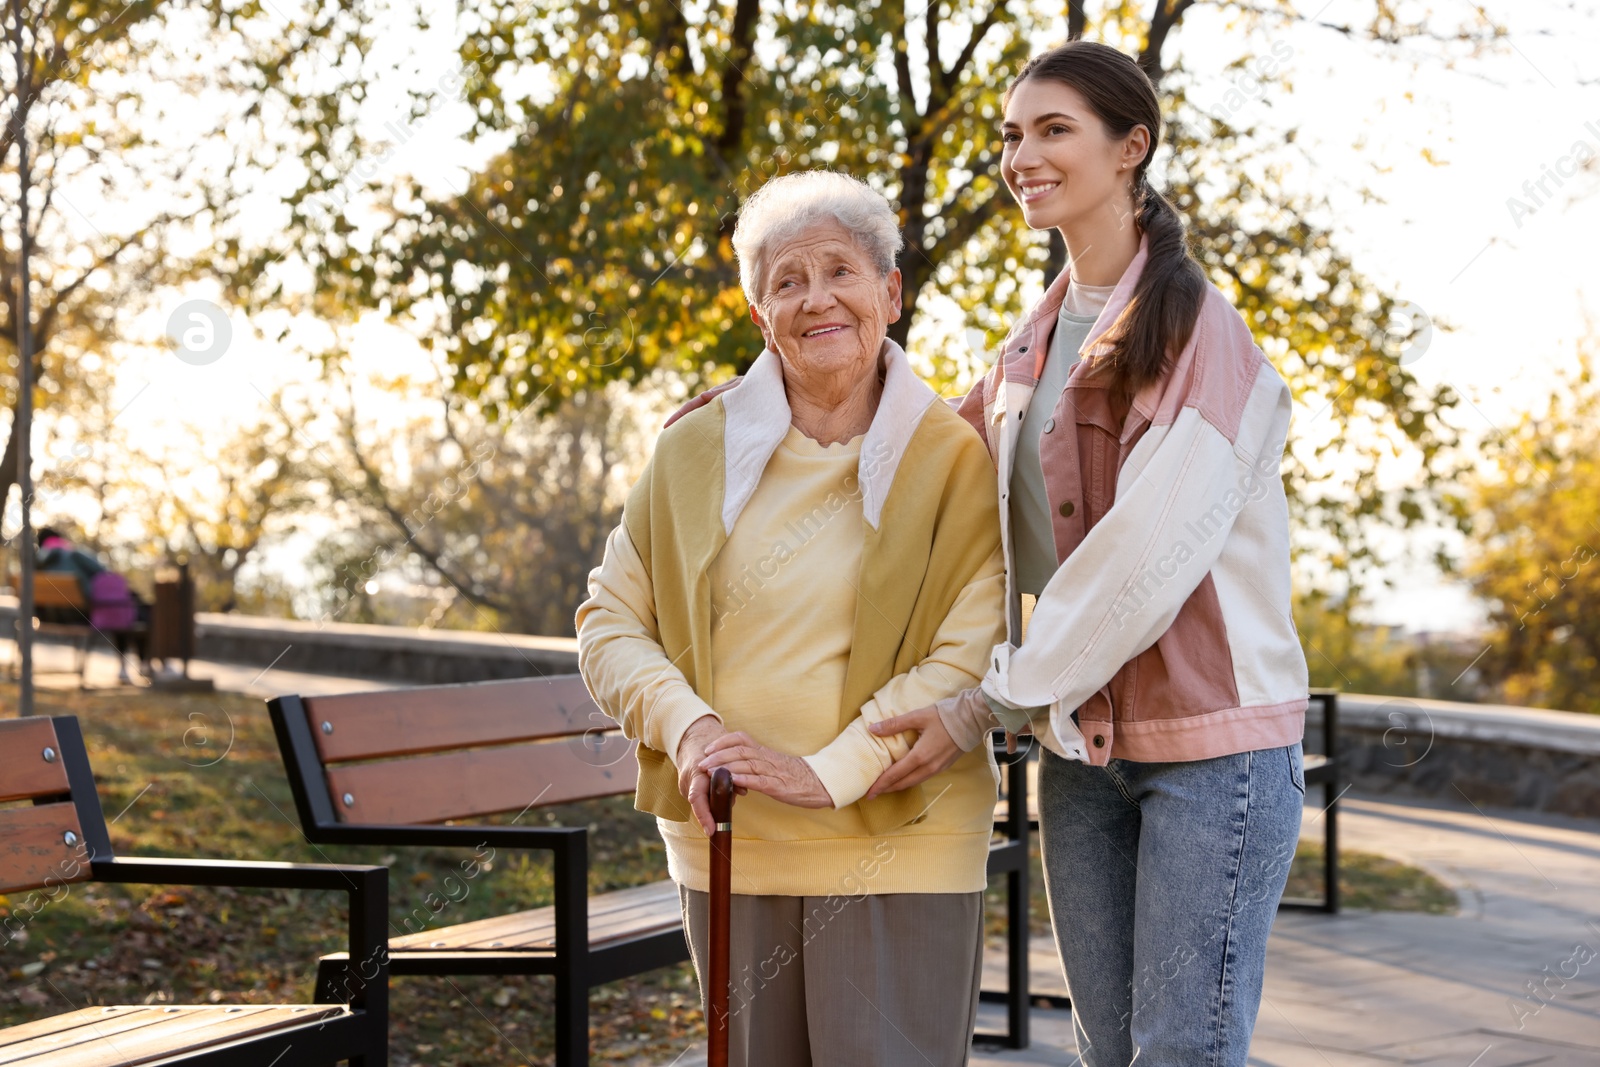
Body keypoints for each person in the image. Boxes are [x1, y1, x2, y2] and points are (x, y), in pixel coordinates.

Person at [862, 41, 1310, 1067]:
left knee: (1179, 1050)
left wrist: (982, 701)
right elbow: (925, 462)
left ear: (1130, 148)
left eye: (1053, 129)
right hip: (1081, 751)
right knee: (1109, 1050)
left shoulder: (1203, 339)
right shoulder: (1030, 344)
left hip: (1215, 759)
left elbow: (1133, 574)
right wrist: (761, 405)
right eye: (1012, 135)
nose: (1023, 154)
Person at [576, 170, 1005, 1067]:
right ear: (758, 309)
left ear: (891, 292)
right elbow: (611, 621)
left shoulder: (956, 457)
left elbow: (972, 650)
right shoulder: (693, 446)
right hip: (729, 840)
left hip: (902, 846)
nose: (817, 300)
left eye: (841, 271)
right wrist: (689, 731)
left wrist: (823, 773)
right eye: (787, 281)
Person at [35, 527, 151, 684]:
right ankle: (143, 664)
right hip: (84, 615)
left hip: (53, 617)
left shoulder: (36, 564)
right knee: (123, 609)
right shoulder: (73, 555)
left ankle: (138, 665)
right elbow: (103, 572)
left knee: (118, 608)